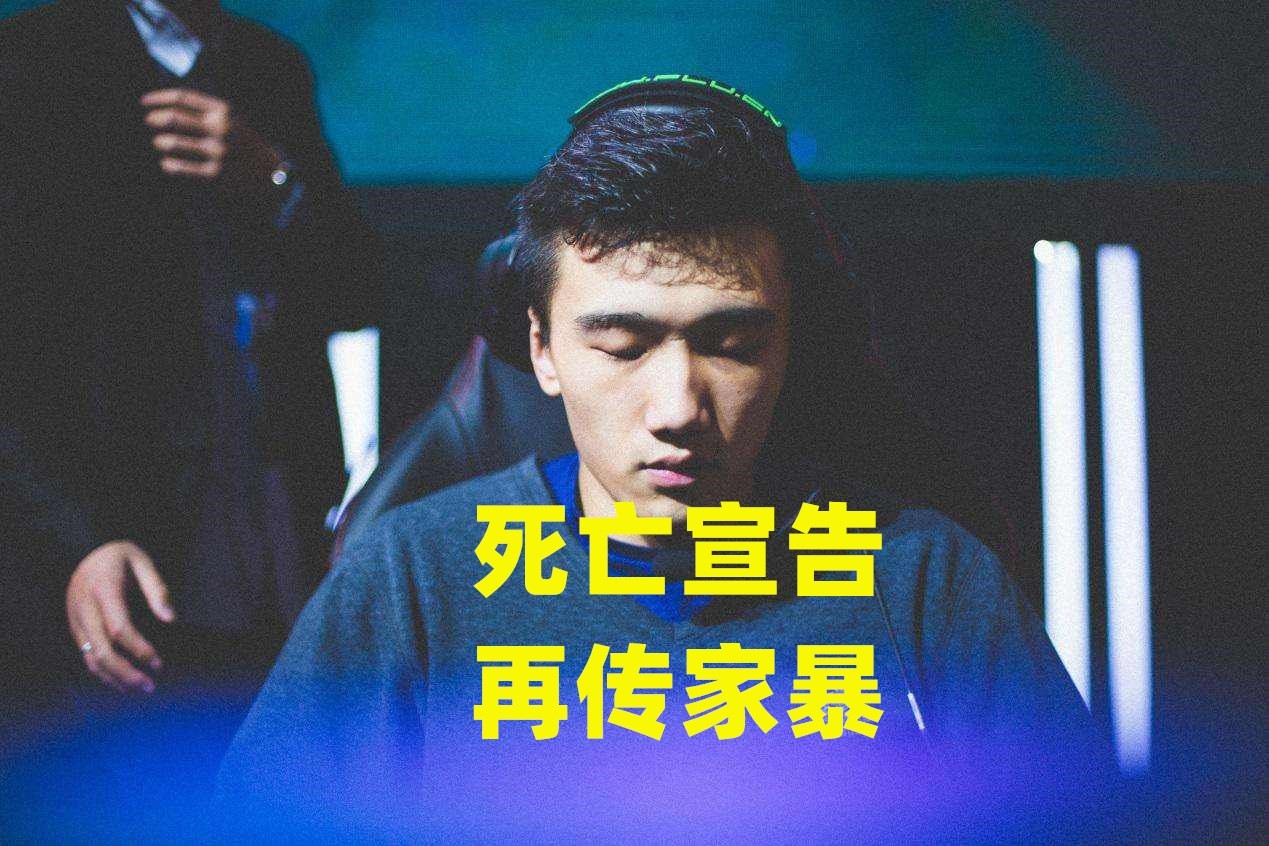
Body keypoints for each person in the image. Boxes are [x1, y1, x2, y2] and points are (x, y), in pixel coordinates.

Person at [214, 76, 1112, 840]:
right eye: (622, 346)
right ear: (541, 350)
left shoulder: (927, 584)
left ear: (791, 343)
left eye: (732, 345)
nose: (679, 408)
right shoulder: (409, 581)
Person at [0, 0, 381, 720]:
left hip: (274, 516)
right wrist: (74, 541)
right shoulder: (31, 58)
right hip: (101, 534)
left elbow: (352, 290)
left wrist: (274, 176)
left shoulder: (269, 64)